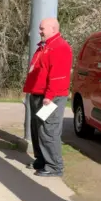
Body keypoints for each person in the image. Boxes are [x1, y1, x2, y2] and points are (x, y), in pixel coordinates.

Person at [23, 17, 73, 177]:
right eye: (40, 28)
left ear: (53, 29)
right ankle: (42, 160)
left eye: (42, 29)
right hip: (38, 95)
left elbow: (58, 76)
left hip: (50, 97)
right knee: (37, 129)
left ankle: (54, 166)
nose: (39, 31)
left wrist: (49, 96)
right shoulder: (45, 46)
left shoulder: (60, 47)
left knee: (48, 130)